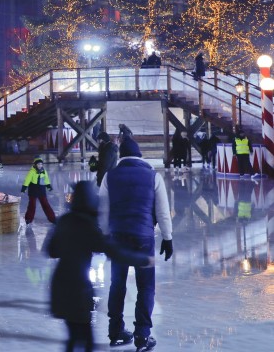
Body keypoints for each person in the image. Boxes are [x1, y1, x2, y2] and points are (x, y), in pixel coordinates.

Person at [47, 181, 152, 352]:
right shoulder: (87, 227)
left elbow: (52, 251)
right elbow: (114, 252)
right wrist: (144, 260)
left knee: (74, 337)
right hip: (78, 290)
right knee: (85, 340)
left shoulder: (64, 221)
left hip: (60, 288)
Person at [99, 135, 173, 352]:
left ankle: (115, 331)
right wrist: (167, 238)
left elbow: (102, 209)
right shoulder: (152, 176)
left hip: (117, 238)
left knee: (117, 284)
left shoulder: (109, 176)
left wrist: (105, 236)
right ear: (140, 155)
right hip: (143, 237)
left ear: (121, 156)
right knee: (146, 286)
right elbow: (162, 210)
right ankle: (142, 335)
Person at [21, 157, 56, 225]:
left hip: (41, 189)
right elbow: (27, 180)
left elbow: (46, 179)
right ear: (35, 165)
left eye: (41, 164)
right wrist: (24, 188)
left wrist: (48, 186)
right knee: (32, 205)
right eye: (38, 164)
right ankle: (28, 219)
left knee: (45, 204)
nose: (40, 165)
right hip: (33, 190)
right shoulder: (32, 171)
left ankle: (52, 218)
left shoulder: (44, 171)